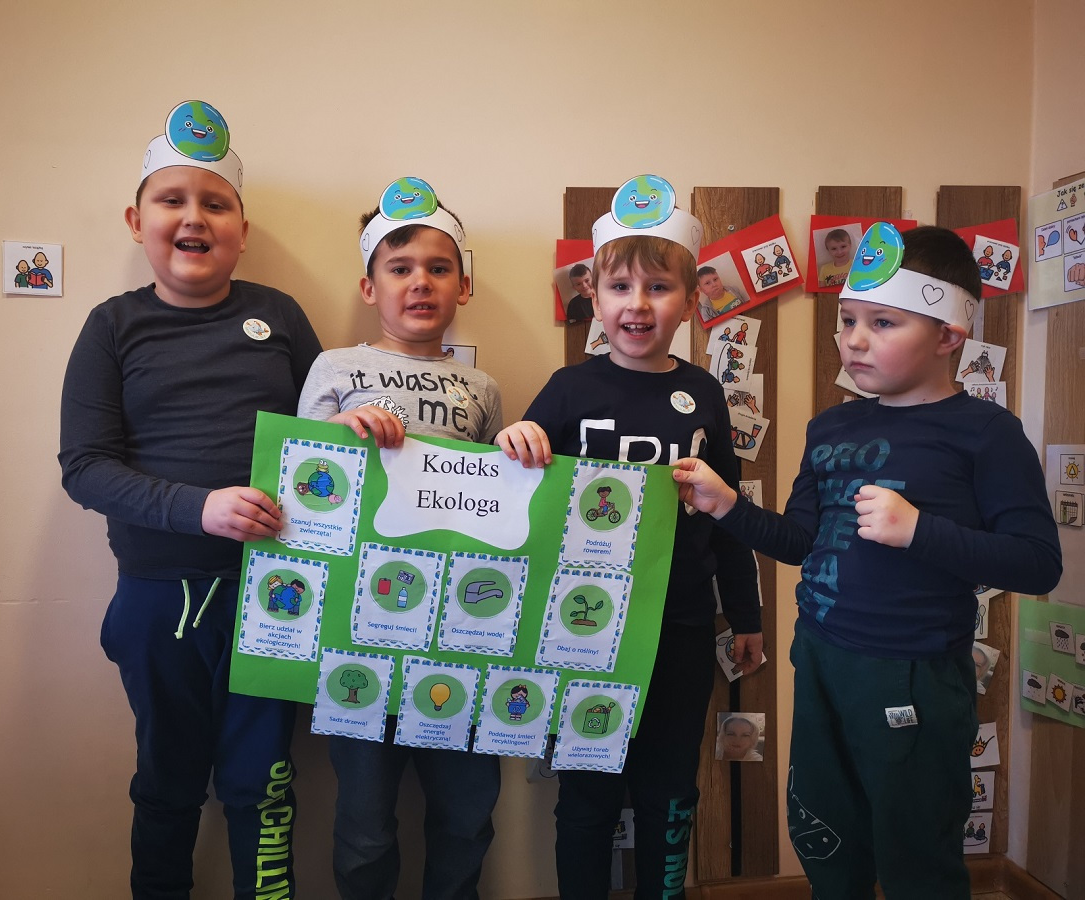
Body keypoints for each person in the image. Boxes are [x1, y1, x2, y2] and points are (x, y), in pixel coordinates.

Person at [675, 223, 1062, 899]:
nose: (853, 339)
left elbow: (1037, 563)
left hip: (915, 675)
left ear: (949, 335)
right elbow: (801, 541)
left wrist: (919, 532)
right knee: (826, 836)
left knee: (916, 855)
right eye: (847, 319)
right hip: (821, 661)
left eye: (882, 322)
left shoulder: (987, 434)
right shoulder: (831, 426)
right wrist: (727, 506)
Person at [58, 100, 321, 900]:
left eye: (216, 203)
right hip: (157, 598)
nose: (194, 217)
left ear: (242, 229)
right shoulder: (112, 327)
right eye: (172, 200)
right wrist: (198, 508)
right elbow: (85, 468)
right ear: (136, 221)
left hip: (274, 593)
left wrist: (359, 423)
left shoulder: (278, 317)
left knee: (263, 784)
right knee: (167, 783)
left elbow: (324, 443)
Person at [497, 174, 763, 900]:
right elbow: (512, 494)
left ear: (691, 298)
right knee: (586, 794)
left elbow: (728, 512)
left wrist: (745, 615)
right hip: (581, 628)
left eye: (658, 288)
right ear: (593, 292)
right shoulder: (568, 389)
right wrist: (515, 440)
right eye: (620, 287)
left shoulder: (704, 393)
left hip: (680, 626)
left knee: (669, 790)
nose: (637, 305)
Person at [297, 176, 503, 900]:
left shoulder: (482, 389)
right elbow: (298, 479)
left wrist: (517, 451)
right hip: (359, 631)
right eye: (400, 267)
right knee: (364, 821)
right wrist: (339, 431)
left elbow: (497, 509)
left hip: (460, 634)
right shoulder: (335, 367)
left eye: (439, 268)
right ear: (368, 285)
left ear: (463, 287)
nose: (421, 282)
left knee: (467, 813)